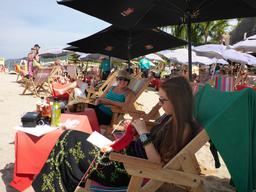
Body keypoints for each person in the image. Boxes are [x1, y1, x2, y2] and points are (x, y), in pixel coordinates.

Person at [24, 76, 199, 192]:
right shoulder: (171, 118)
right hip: (123, 155)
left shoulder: (183, 127)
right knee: (69, 136)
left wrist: (143, 133)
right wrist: (139, 133)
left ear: (177, 100)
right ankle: (47, 187)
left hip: (125, 167)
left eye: (163, 100)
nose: (160, 104)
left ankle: (45, 188)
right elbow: (154, 145)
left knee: (70, 143)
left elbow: (156, 163)